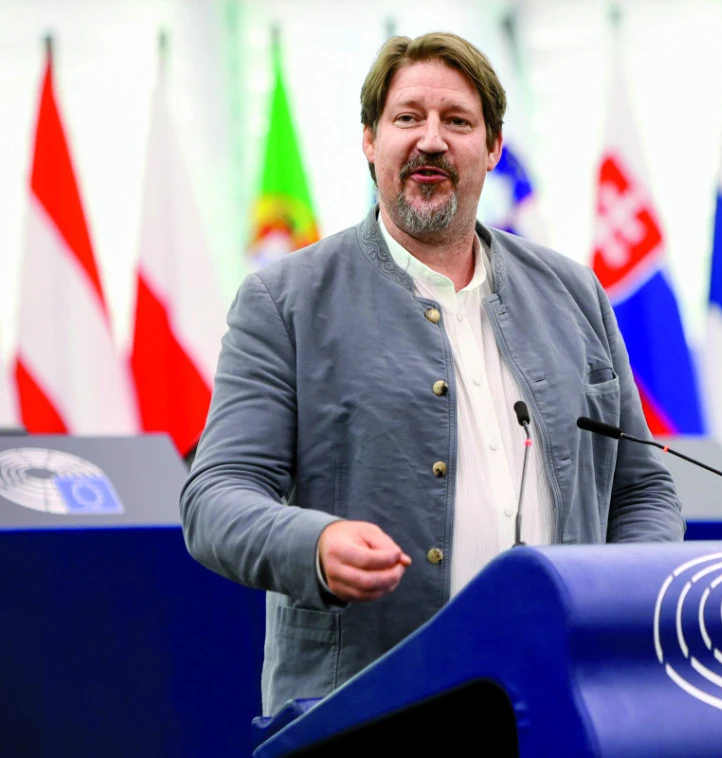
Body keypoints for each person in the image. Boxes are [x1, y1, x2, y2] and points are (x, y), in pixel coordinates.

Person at [180, 32, 684, 717]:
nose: (431, 140)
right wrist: (315, 545)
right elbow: (215, 497)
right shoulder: (285, 300)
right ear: (369, 140)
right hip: (367, 708)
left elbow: (644, 491)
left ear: (493, 147)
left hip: (560, 697)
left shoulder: (574, 293)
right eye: (408, 117)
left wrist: (622, 597)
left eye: (457, 121)